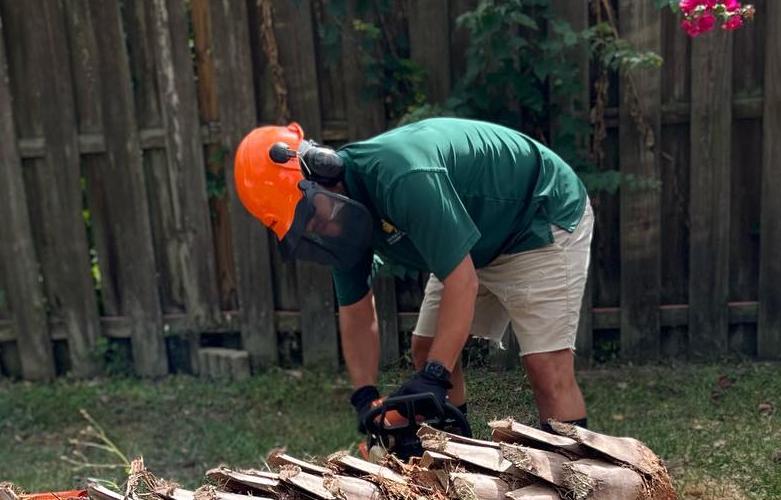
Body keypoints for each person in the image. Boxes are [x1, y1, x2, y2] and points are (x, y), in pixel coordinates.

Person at [233, 116, 593, 449]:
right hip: (477, 236)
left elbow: (461, 281)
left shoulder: (401, 176)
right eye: (304, 225)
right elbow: (356, 310)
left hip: (537, 214)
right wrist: (365, 396)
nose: (317, 228)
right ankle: (456, 470)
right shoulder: (343, 220)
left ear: (323, 169)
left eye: (309, 213)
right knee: (428, 348)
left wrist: (435, 376)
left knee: (546, 366)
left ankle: (577, 488)